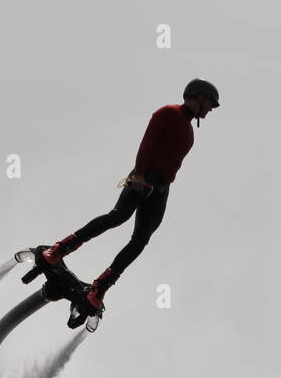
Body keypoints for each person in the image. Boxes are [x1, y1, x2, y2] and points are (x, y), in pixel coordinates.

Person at [41, 79, 220, 312]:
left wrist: (160, 189)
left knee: (141, 240)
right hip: (143, 178)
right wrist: (139, 175)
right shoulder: (168, 113)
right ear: (199, 97)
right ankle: (60, 248)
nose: (210, 111)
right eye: (210, 105)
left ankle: (101, 286)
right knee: (117, 217)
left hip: (162, 189)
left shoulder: (189, 131)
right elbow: (147, 144)